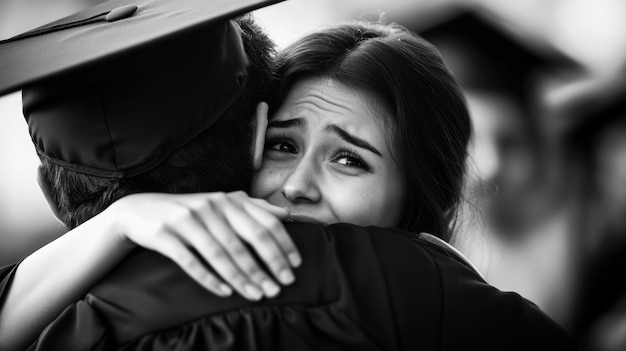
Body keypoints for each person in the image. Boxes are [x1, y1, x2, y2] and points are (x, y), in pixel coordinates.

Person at [1, 1, 572, 350]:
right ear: (253, 135)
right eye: (282, 145)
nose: (297, 184)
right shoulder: (412, 288)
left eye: (349, 159)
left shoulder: (50, 314)